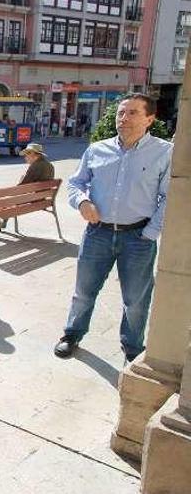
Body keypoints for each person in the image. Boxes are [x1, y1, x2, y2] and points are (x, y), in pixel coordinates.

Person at [54, 93, 172, 363]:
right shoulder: (98, 149)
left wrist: (151, 232)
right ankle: (72, 334)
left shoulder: (164, 152)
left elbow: (169, 196)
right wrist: (82, 202)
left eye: (132, 113)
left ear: (149, 119)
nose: (124, 118)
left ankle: (132, 346)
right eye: (121, 112)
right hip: (99, 233)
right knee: (84, 291)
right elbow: (75, 183)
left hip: (138, 237)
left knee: (136, 299)